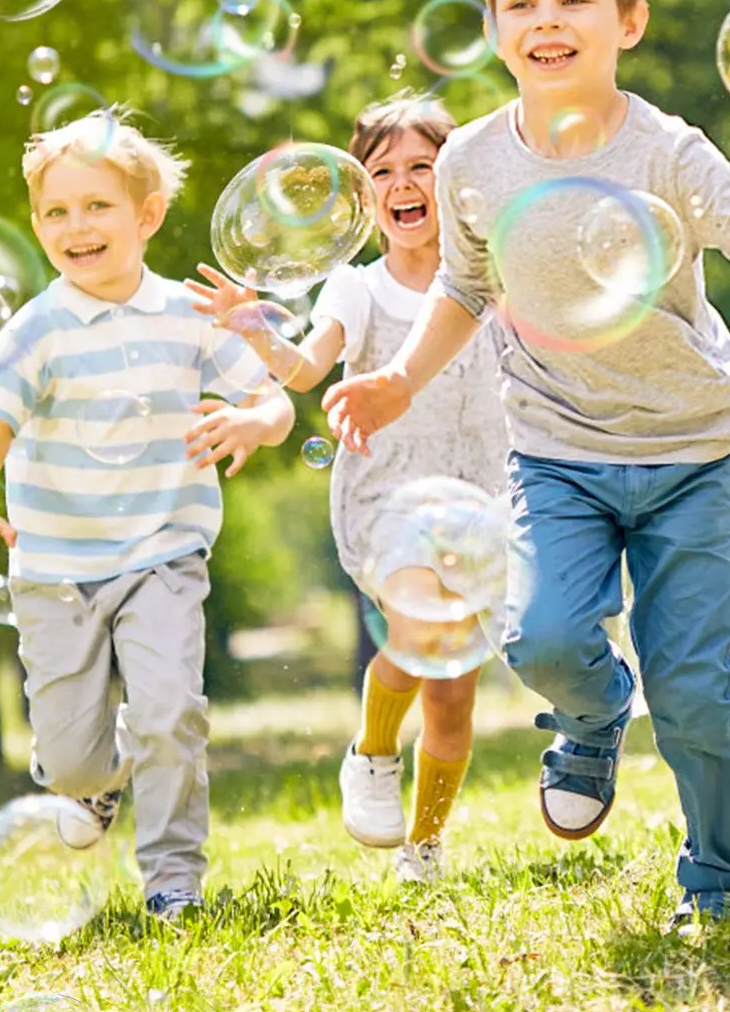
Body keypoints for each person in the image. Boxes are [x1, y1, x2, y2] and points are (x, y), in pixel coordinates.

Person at [323, 0, 730, 931]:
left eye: (573, 1)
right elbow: (462, 286)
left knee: (693, 687)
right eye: (521, 3)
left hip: (685, 450)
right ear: (495, 25)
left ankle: (722, 882)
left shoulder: (664, 151)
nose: (546, 21)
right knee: (539, 637)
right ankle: (591, 719)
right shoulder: (470, 161)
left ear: (626, 21)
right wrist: (399, 379)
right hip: (554, 451)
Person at [0, 109, 295, 923]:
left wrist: (256, 421)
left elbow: (272, 398)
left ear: (146, 216)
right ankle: (93, 786)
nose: (76, 227)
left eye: (97, 206)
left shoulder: (189, 314)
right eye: (56, 212)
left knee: (170, 711)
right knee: (72, 761)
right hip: (55, 571)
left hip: (162, 553)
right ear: (37, 225)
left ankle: (173, 880)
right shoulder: (34, 331)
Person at [187, 93, 508, 886]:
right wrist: (257, 329)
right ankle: (370, 753)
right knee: (416, 630)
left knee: (454, 699)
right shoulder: (355, 291)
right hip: (390, 495)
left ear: (455, 179)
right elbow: (305, 369)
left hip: (486, 497)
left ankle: (424, 844)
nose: (404, 185)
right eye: (384, 172)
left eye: (422, 168)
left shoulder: (495, 277)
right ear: (365, 198)